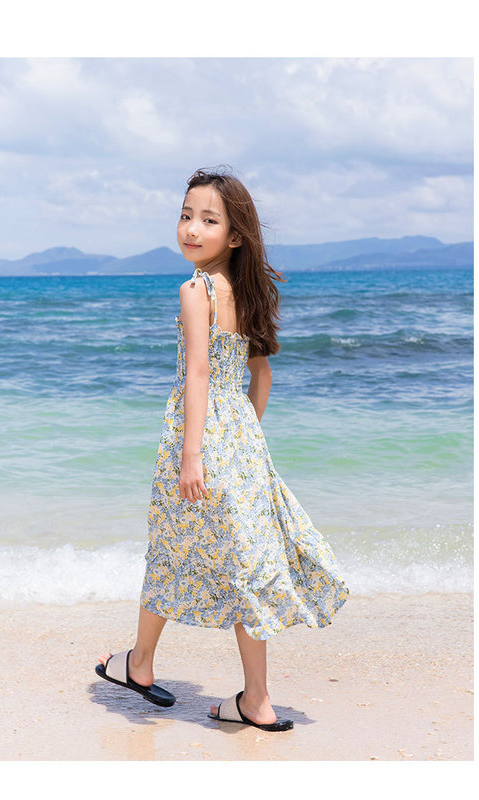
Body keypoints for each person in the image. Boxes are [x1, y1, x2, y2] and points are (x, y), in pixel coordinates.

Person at [96, 166, 349, 732]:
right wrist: (242, 439)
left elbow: (198, 375)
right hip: (241, 441)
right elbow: (261, 375)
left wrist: (194, 454)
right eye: (186, 215)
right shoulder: (249, 294)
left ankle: (141, 663)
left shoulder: (196, 290)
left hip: (197, 437)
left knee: (172, 548)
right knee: (242, 564)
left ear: (235, 236)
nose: (192, 228)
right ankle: (253, 698)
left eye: (208, 220)